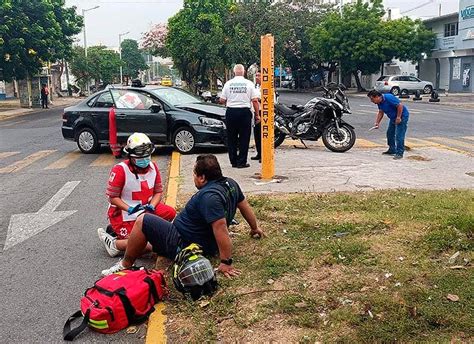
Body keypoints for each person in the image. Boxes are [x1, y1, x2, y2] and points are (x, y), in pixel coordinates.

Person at [101, 154, 265, 277]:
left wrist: (226, 262)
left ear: (202, 177)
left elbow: (221, 227)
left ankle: (125, 264)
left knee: (143, 220)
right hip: (192, 238)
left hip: (185, 245)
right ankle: (116, 245)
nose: (193, 177)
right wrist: (254, 227)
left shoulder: (209, 198)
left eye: (194, 174)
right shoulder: (230, 183)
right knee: (154, 237)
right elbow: (244, 206)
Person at [98, 133, 176, 257]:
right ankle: (114, 245)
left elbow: (158, 192)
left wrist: (152, 205)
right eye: (141, 158)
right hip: (124, 214)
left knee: (171, 213)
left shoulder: (153, 167)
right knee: (144, 244)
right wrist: (129, 208)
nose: (145, 160)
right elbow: (112, 198)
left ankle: (118, 232)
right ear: (130, 156)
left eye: (147, 156)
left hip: (146, 209)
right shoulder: (120, 170)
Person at [220, 64, 260, 168]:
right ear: (244, 72)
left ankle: (233, 161)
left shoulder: (228, 84)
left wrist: (230, 100)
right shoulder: (249, 84)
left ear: (234, 72)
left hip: (231, 112)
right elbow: (255, 100)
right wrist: (257, 115)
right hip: (244, 113)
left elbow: (222, 100)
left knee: (231, 138)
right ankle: (242, 162)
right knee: (244, 138)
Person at [367, 90, 410, 160]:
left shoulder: (388, 98)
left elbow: (400, 105)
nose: (371, 101)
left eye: (372, 99)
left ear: (377, 97)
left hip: (402, 116)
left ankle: (399, 153)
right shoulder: (379, 102)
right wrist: (377, 122)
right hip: (393, 118)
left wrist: (398, 117)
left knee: (399, 135)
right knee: (390, 133)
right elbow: (381, 112)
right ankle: (392, 149)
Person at [251, 71, 262, 162]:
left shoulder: (267, 88)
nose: (257, 77)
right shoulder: (256, 87)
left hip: (263, 112)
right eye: (256, 75)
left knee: (262, 135)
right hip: (256, 112)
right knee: (257, 135)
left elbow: (272, 102)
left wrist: (259, 99)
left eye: (259, 75)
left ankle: (264, 155)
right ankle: (259, 153)